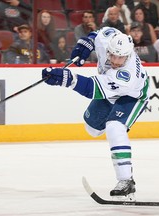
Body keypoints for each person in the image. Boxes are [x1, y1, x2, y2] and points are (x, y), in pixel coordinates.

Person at [41, 26, 149, 199]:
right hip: (109, 92)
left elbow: (91, 89)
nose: (114, 60)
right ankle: (118, 139)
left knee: (114, 127)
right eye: (112, 54)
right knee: (92, 129)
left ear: (128, 55)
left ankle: (126, 180)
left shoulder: (127, 76)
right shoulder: (109, 40)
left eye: (120, 57)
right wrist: (86, 43)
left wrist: (66, 79)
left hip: (132, 96)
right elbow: (98, 33)